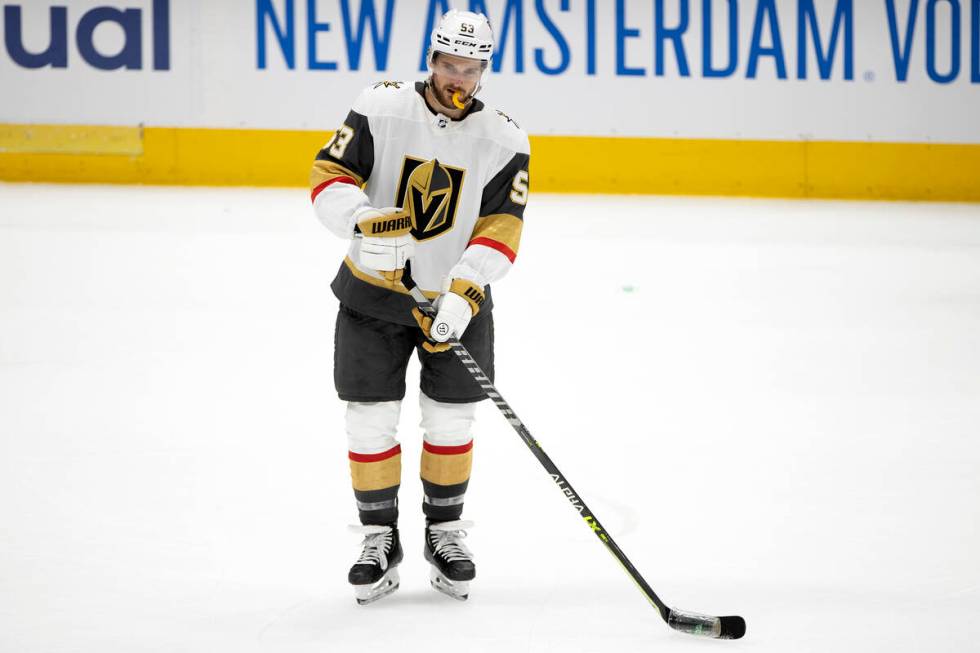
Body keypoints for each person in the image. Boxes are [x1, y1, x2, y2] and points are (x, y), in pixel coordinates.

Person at [308, 9, 530, 605]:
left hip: (454, 303)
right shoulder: (380, 106)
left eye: (471, 67)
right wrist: (359, 220)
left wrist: (466, 291)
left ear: (485, 69)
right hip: (372, 295)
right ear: (431, 60)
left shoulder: (506, 138)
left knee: (452, 420)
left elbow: (502, 225)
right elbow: (330, 174)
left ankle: (445, 533)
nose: (459, 78)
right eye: (449, 64)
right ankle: (380, 538)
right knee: (369, 418)